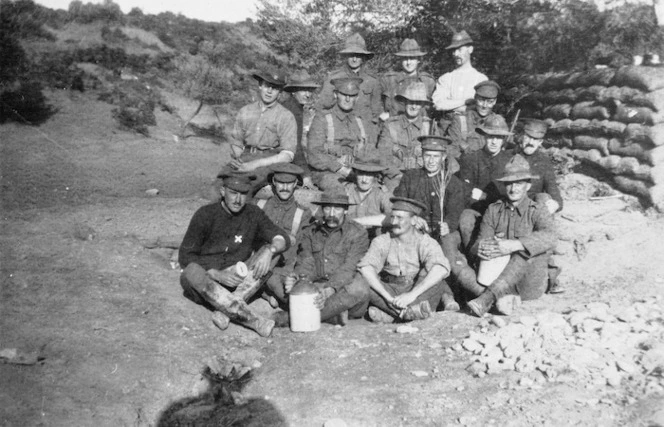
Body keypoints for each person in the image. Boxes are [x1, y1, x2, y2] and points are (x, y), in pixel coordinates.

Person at [178, 172, 291, 337]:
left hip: (239, 282)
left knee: (274, 254)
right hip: (208, 283)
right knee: (191, 271)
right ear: (223, 191)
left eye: (243, 194)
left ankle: (226, 310)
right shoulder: (205, 214)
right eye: (233, 193)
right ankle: (255, 321)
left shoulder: (253, 213)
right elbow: (185, 256)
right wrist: (215, 274)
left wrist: (270, 250)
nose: (238, 200)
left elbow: (282, 238)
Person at [464, 155, 557, 317]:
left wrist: (515, 245)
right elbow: (479, 243)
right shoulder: (494, 210)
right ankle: (496, 297)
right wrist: (485, 247)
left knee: (526, 250)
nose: (513, 189)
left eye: (519, 183)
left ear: (528, 186)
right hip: (497, 275)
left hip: (527, 284)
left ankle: (487, 298)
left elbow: (551, 237)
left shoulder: (537, 210)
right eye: (509, 184)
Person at [275, 191, 371, 325]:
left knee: (360, 288)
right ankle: (331, 316)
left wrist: (329, 289)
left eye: (337, 208)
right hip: (316, 285)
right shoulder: (311, 231)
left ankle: (291, 318)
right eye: (327, 208)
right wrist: (300, 280)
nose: (331, 214)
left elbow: (349, 268)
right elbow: (306, 260)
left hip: (340, 287)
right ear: (322, 209)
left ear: (345, 210)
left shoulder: (358, 233)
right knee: (275, 275)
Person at [392, 135, 466, 311]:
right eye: (427, 156)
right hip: (416, 230)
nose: (431, 161)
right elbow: (400, 203)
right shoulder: (410, 177)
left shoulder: (452, 182)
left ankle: (447, 296)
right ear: (421, 156)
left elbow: (455, 212)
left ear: (443, 157)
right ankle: (445, 297)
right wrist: (412, 217)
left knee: (444, 255)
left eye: (436, 156)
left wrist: (449, 223)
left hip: (442, 232)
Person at [356, 197, 451, 323]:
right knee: (362, 279)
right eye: (392, 217)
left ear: (413, 220)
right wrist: (388, 298)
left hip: (416, 290)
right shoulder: (382, 241)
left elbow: (440, 269)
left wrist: (412, 295)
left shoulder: (425, 241)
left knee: (435, 277)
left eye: (400, 218)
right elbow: (366, 267)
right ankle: (408, 314)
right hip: (390, 291)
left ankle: (394, 315)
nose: (394, 222)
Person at [222, 70, 297, 190]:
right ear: (260, 86)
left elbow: (287, 155)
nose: (269, 91)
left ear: (280, 92)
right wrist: (239, 160)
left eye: (275, 88)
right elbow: (236, 141)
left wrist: (254, 164)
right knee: (220, 183)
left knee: (243, 186)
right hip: (245, 156)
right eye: (267, 86)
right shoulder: (246, 111)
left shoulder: (286, 116)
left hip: (269, 162)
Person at [515, 118, 564, 294]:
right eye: (528, 137)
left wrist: (554, 204)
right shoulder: (509, 156)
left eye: (535, 139)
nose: (531, 142)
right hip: (510, 209)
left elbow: (555, 194)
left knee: (544, 198)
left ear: (541, 142)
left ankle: (550, 276)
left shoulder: (544, 162)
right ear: (521, 137)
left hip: (533, 213)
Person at [253, 164, 313, 306]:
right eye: (281, 183)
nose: (285, 188)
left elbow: (301, 248)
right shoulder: (258, 205)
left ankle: (265, 293)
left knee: (284, 289)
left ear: (295, 184)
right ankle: (265, 294)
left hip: (283, 267)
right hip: (255, 261)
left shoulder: (303, 213)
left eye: (289, 183)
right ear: (274, 182)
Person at [307, 77, 375, 191]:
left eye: (352, 95)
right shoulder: (322, 118)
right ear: (335, 94)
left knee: (377, 190)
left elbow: (370, 151)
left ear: (357, 97)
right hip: (327, 173)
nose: (348, 99)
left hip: (356, 172)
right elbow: (314, 154)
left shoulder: (361, 121)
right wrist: (339, 168)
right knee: (341, 190)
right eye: (343, 94)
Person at [457, 115, 513, 251]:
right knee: (465, 220)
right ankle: (473, 257)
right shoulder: (471, 159)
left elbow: (511, 193)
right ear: (484, 137)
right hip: (476, 210)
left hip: (502, 211)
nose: (494, 141)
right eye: (490, 136)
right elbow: (465, 192)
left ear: (503, 140)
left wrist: (485, 196)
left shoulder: (510, 161)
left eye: (499, 138)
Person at [377, 81, 438, 189]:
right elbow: (383, 156)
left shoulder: (429, 127)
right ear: (404, 102)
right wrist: (397, 175)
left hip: (422, 177)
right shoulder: (390, 125)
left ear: (423, 105)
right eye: (410, 102)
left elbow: (436, 157)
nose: (414, 106)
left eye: (418, 103)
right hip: (395, 177)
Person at [318, 33, 383, 125]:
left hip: (364, 129)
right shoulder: (333, 79)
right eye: (351, 55)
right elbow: (323, 107)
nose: (354, 59)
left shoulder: (372, 82)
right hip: (339, 129)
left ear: (363, 57)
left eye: (358, 55)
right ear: (346, 56)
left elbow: (376, 114)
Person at [431, 31, 488, 133]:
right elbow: (438, 104)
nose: (456, 54)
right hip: (448, 129)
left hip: (474, 130)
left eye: (460, 49)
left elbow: (483, 108)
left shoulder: (481, 79)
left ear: (470, 49)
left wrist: (450, 104)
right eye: (453, 51)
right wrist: (466, 102)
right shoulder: (445, 78)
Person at [379, 39, 436, 120]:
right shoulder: (389, 80)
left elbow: (434, 108)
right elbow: (374, 102)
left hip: (420, 127)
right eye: (405, 58)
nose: (408, 62)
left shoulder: (428, 82)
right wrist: (383, 114)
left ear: (418, 60)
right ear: (400, 60)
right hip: (392, 126)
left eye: (412, 58)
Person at [446, 80, 502, 158]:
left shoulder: (499, 123)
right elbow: (451, 149)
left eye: (490, 102)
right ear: (475, 98)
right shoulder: (461, 121)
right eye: (481, 100)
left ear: (495, 102)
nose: (485, 106)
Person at [282, 71, 320, 181]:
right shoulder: (291, 110)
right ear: (293, 91)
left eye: (310, 90)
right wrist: (305, 174)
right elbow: (295, 147)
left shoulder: (295, 106)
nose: (308, 94)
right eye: (303, 90)